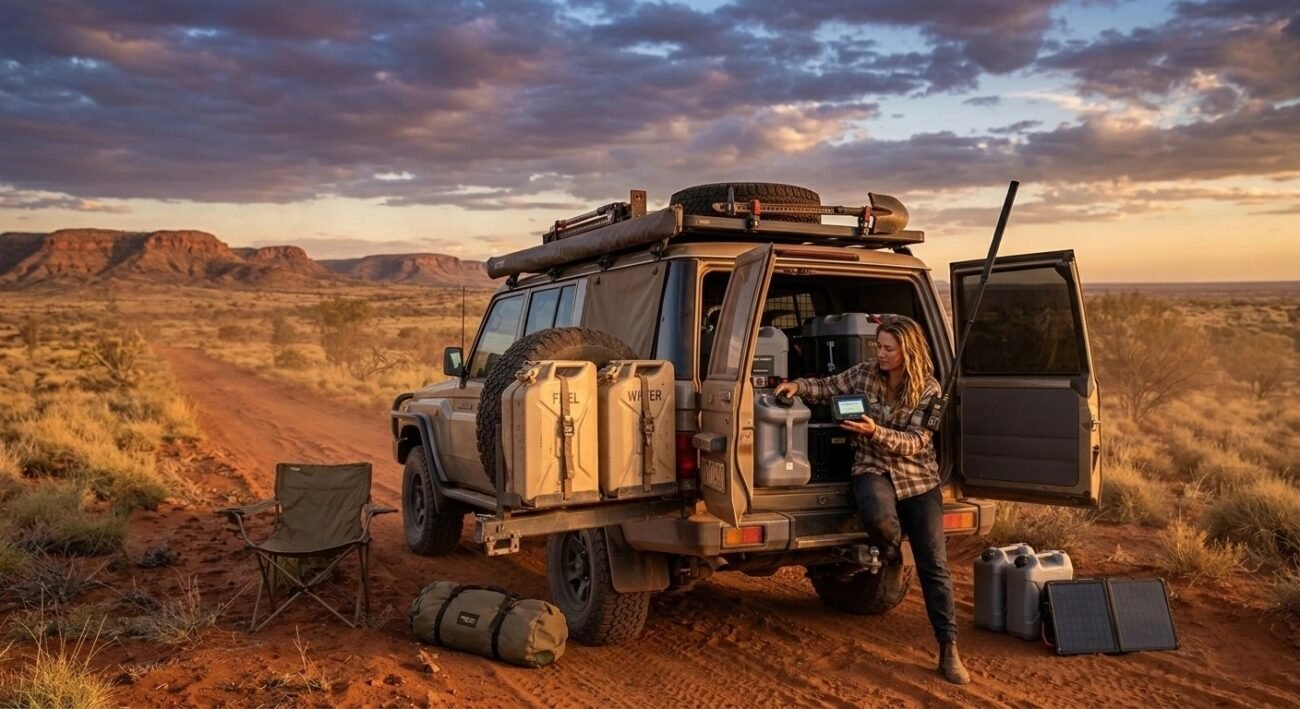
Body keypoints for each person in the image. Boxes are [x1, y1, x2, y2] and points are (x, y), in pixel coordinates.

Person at [774, 315, 970, 685]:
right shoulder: (864, 373)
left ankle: (949, 647)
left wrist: (874, 431)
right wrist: (796, 386)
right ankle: (892, 555)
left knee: (935, 567)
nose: (879, 353)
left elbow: (916, 443)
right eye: (878, 346)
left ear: (906, 351)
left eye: (887, 348)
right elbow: (828, 386)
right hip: (871, 468)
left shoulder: (928, 390)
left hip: (918, 478)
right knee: (879, 519)